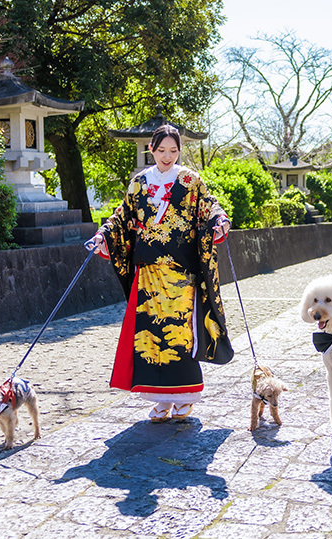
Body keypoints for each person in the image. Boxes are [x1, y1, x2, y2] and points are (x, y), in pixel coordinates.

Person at [87, 124, 232, 423]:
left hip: (181, 273)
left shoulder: (191, 181)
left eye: (174, 151)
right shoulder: (139, 183)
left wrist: (220, 221)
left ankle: (185, 396)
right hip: (149, 273)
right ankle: (161, 399)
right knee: (151, 336)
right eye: (161, 150)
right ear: (150, 150)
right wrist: (104, 235)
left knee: (181, 335)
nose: (167, 156)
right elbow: (122, 217)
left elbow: (210, 207)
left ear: (180, 151)